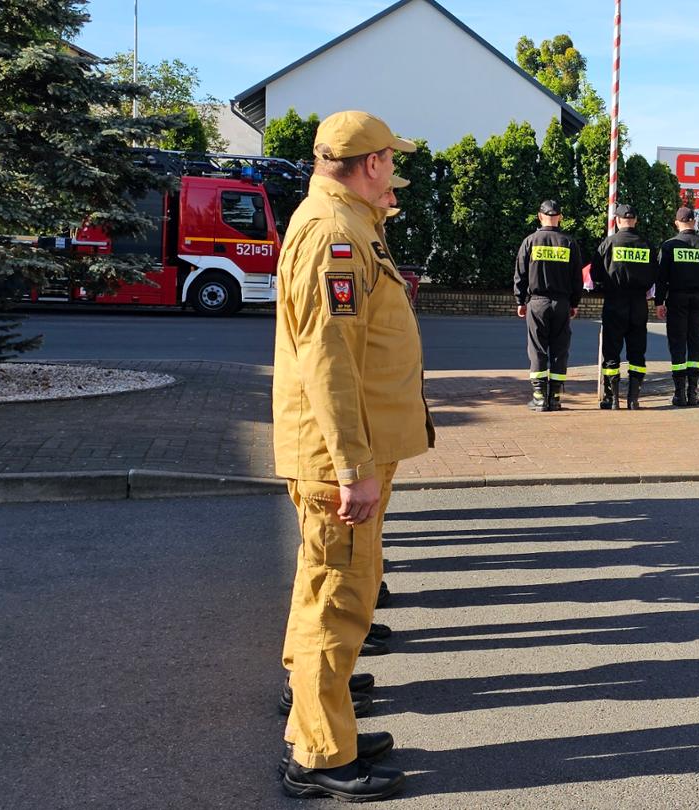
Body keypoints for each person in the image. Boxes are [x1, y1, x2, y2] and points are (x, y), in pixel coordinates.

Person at [271, 110, 433, 802]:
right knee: (338, 600)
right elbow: (329, 362)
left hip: (347, 450)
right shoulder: (335, 235)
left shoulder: (348, 223)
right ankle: (320, 755)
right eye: (391, 161)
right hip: (342, 457)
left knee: (326, 592)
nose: (395, 171)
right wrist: (353, 469)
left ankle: (322, 720)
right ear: (369, 163)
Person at [514, 199, 585, 411]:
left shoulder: (530, 241)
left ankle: (538, 397)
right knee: (559, 349)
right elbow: (576, 279)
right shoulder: (569, 243)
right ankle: (554, 396)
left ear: (540, 216)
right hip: (561, 303)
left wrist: (520, 301)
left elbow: (521, 274)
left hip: (536, 302)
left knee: (537, 349)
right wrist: (574, 303)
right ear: (560, 217)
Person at [592, 203, 657, 409]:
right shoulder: (647, 245)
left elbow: (595, 275)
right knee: (637, 352)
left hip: (614, 302)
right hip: (638, 303)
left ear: (617, 221)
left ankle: (612, 399)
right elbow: (656, 275)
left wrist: (607, 286)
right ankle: (633, 399)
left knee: (612, 351)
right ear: (635, 220)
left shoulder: (608, 244)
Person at [655, 207, 699, 406]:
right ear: (694, 222)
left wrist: (659, 302)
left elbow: (661, 277)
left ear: (677, 223)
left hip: (676, 299)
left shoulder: (669, 246)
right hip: (698, 300)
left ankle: (679, 393)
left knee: (677, 343)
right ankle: (693, 392)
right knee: (696, 343)